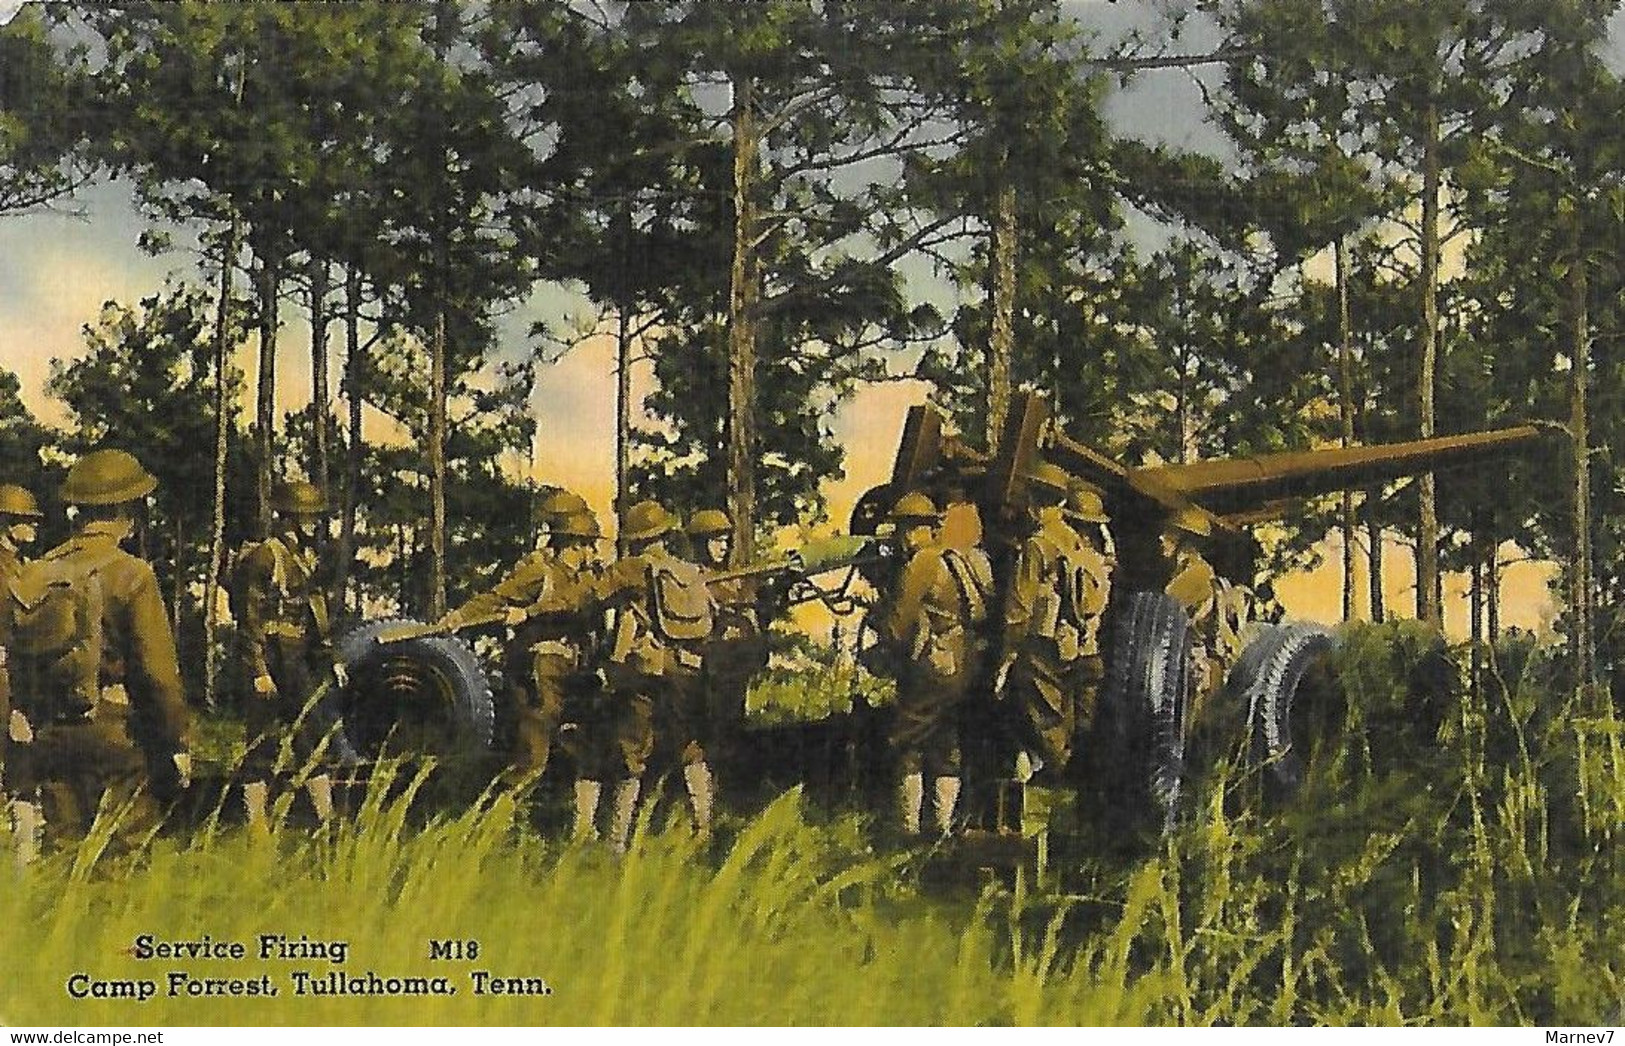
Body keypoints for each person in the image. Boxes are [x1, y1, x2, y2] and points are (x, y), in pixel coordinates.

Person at [4, 449, 191, 858]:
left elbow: (17, 658)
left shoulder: (36, 572)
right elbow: (158, 676)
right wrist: (176, 740)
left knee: (61, 857)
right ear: (127, 511)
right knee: (119, 863)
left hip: (51, 734)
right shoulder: (131, 573)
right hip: (116, 733)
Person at [438, 505, 606, 799]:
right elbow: (496, 598)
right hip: (538, 671)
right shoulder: (540, 574)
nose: (590, 553)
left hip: (575, 672)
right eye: (586, 545)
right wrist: (459, 618)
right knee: (533, 756)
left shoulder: (587, 579)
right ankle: (497, 819)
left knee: (580, 750)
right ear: (570, 545)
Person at [589, 499, 715, 850]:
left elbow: (593, 596)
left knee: (632, 753)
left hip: (647, 672)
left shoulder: (631, 568)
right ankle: (703, 828)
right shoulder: (688, 571)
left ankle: (616, 843)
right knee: (689, 747)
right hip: (686, 669)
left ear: (637, 537)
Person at [870, 491, 993, 837]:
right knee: (946, 745)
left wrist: (876, 617)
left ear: (915, 529)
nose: (903, 537)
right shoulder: (959, 560)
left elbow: (898, 626)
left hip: (931, 667)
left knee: (906, 742)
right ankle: (943, 829)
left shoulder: (921, 563)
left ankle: (907, 830)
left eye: (904, 529)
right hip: (966, 664)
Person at [231, 479, 340, 827]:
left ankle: (326, 820)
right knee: (261, 745)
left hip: (296, 658)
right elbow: (249, 618)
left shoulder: (308, 559)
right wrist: (258, 669)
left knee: (311, 737)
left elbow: (317, 614)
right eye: (309, 519)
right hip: (270, 657)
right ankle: (257, 828)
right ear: (292, 519)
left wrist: (330, 657)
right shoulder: (266, 556)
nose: (314, 525)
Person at [997, 474, 1113, 781]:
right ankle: (1081, 792)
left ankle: (1065, 790)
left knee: (1047, 725)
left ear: (1034, 503)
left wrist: (1007, 657)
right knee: (1080, 726)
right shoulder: (1085, 549)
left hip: (1043, 648)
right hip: (1086, 649)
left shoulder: (1039, 545)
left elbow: (1017, 611)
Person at [686, 508, 773, 764]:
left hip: (736, 663)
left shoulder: (737, 580)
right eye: (716, 540)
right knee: (706, 731)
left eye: (726, 540)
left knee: (732, 724)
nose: (723, 546)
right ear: (701, 544)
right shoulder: (692, 579)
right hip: (707, 668)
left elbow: (754, 617)